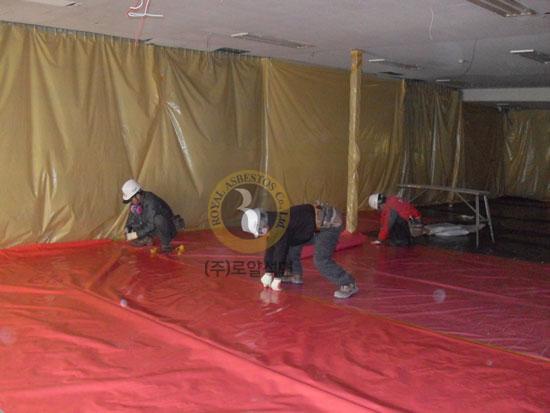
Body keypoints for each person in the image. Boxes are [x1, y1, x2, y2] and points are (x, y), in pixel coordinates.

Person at [241, 202, 358, 299]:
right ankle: (295, 274)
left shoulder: (279, 227)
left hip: (329, 227)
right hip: (311, 227)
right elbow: (271, 246)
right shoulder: (273, 221)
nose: (261, 234)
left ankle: (348, 283)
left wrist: (277, 276)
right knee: (292, 244)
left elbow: (280, 252)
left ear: (262, 223)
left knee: (321, 260)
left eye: (260, 231)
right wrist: (268, 271)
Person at [121, 179, 185, 253]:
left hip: (168, 228)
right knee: (136, 217)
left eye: (131, 199)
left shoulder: (151, 201)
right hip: (154, 229)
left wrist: (136, 234)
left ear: (137, 195)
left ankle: (166, 244)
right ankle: (147, 238)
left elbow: (150, 225)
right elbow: (131, 217)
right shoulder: (136, 202)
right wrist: (127, 228)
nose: (131, 202)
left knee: (158, 219)